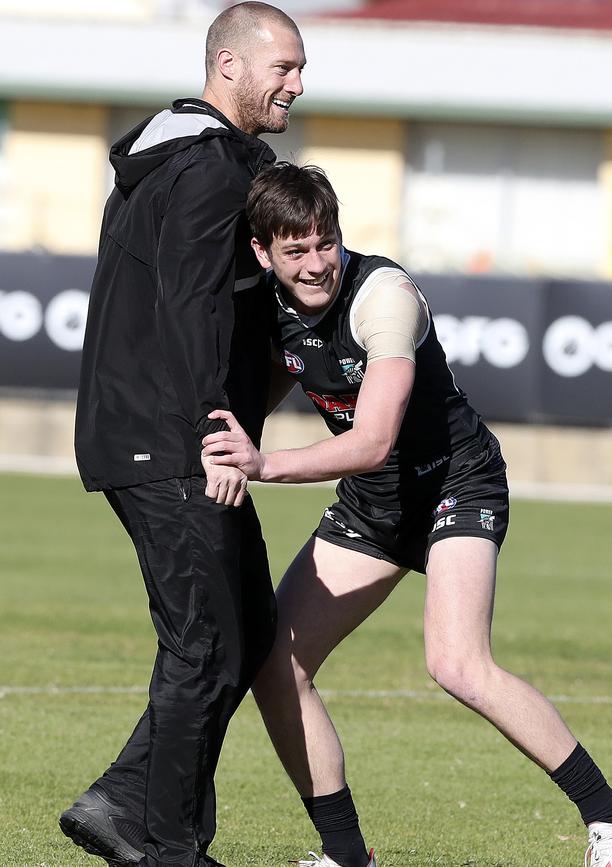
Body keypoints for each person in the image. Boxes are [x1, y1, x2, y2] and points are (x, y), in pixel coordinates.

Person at [201, 162, 612, 867]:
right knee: (276, 664)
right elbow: (280, 378)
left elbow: (373, 438)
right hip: (377, 503)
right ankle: (347, 854)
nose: (317, 263)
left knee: (456, 661)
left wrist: (261, 463)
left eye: (327, 242)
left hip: (456, 482)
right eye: (297, 251)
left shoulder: (384, 297)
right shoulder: (270, 304)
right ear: (263, 253)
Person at [60, 8, 305, 867]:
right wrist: (214, 435)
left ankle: (124, 801)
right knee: (205, 640)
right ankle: (169, 845)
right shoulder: (201, 169)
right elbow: (189, 310)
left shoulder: (200, 159)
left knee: (242, 628)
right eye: (283, 66)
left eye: (301, 68)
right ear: (228, 64)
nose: (297, 84)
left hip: (159, 431)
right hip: (169, 440)